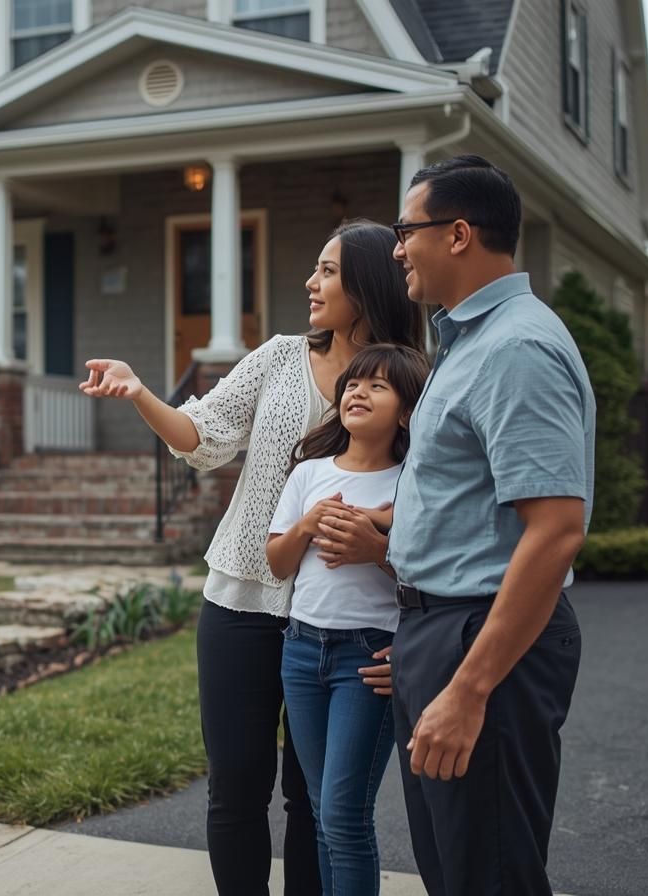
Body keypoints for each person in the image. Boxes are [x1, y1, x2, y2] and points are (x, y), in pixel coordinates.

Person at [80, 220, 424, 896]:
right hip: (240, 598)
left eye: (327, 270)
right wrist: (139, 389)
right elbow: (203, 436)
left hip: (340, 620)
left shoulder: (407, 383)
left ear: (367, 284)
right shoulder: (278, 356)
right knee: (236, 787)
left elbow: (425, 512)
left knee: (315, 801)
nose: (311, 282)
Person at [383, 154, 594, 895]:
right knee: (455, 870)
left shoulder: (515, 349)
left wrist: (469, 688)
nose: (398, 246)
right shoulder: (467, 339)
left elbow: (557, 529)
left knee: (489, 876)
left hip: (485, 643)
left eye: (408, 229)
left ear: (461, 233)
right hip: (440, 631)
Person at [267, 344, 430, 896]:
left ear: (406, 412)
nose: (358, 391)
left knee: (342, 814)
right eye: (355, 383)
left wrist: (377, 545)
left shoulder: (413, 483)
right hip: (301, 650)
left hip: (368, 658)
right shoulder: (309, 474)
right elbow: (278, 562)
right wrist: (309, 523)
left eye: (378, 386)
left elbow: (425, 579)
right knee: (320, 812)